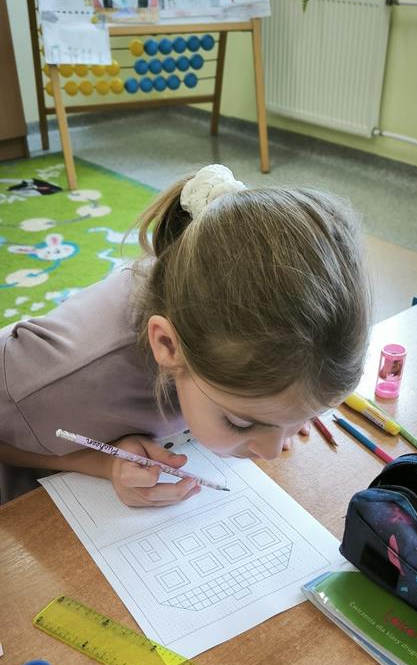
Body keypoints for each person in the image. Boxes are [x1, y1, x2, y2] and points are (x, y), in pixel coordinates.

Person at [0, 164, 372, 507]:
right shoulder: (62, 373)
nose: (272, 452)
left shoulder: (248, 335)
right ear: (167, 345)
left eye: (311, 414)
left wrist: (290, 409)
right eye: (241, 422)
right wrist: (97, 461)